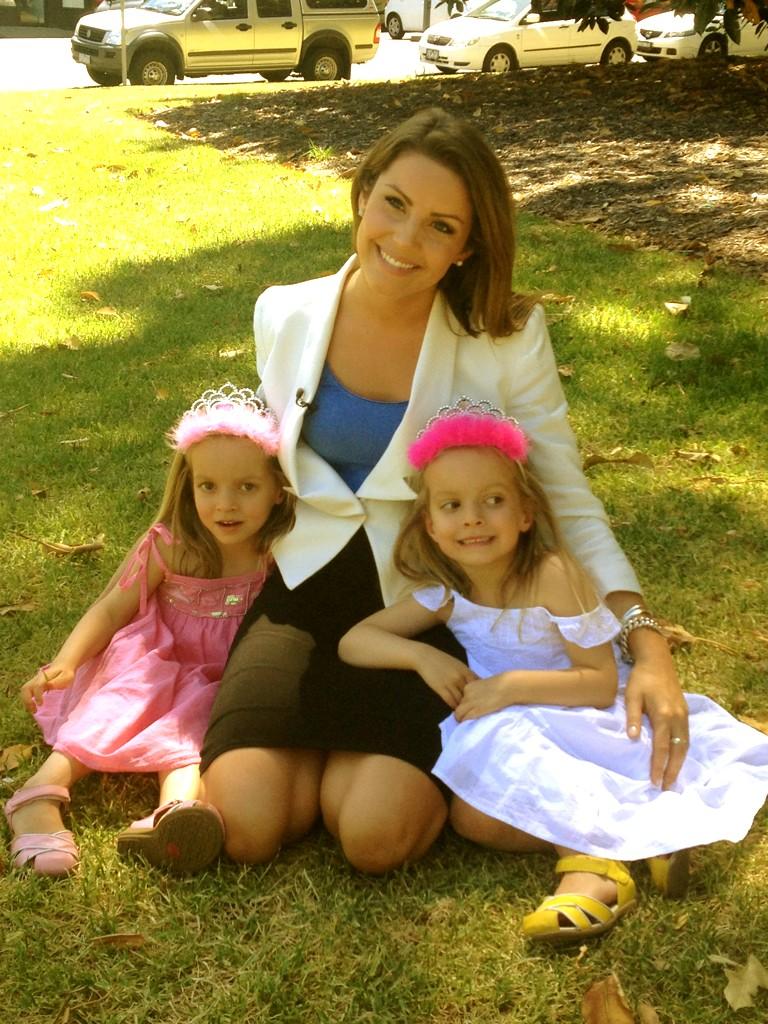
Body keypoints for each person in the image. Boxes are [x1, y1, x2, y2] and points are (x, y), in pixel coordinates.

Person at [198, 106, 689, 875]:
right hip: (302, 592)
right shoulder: (283, 311)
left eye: (440, 226)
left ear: (467, 247)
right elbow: (255, 466)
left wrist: (646, 641)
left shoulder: (504, 340)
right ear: (363, 193)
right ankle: (311, 761)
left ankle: (348, 770)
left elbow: (563, 494)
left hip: (427, 610)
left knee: (374, 838)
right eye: (394, 203)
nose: (405, 238)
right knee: (246, 827)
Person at [339, 399, 768, 941]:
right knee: (473, 819)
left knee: (506, 762)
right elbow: (355, 642)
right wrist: (423, 656)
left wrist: (510, 687)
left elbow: (600, 682)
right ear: (430, 524)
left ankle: (592, 870)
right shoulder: (446, 594)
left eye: (493, 500)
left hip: (577, 712)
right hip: (511, 719)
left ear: (525, 514)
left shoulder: (551, 574)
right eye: (452, 505)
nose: (472, 518)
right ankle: (646, 840)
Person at [4, 383, 294, 877]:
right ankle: (37, 795)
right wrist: (68, 662)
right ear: (188, 485)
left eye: (246, 487)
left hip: (223, 670)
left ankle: (174, 814)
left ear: (278, 490)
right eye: (208, 486)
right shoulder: (171, 544)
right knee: (125, 700)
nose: (225, 504)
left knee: (197, 719)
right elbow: (111, 610)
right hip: (155, 653)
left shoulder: (279, 549)